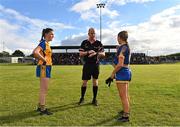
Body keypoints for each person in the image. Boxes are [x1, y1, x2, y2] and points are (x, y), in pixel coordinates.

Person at [106, 31, 131, 122]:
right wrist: (118, 49)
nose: (117, 39)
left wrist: (112, 74)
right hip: (125, 72)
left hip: (122, 73)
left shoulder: (123, 48)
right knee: (125, 95)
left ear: (120, 37)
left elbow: (120, 64)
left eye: (117, 37)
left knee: (123, 96)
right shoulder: (124, 47)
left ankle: (126, 116)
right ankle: (126, 110)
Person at [78, 27, 105, 106]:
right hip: (87, 64)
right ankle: (82, 98)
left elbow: (103, 54)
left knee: (95, 81)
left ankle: (94, 99)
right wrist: (88, 52)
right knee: (84, 82)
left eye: (94, 33)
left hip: (95, 64)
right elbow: (80, 54)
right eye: (91, 33)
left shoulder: (99, 43)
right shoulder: (84, 42)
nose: (92, 34)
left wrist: (96, 53)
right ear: (88, 33)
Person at [33, 28, 54, 115]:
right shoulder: (43, 43)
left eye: (53, 34)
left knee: (44, 89)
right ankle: (42, 109)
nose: (53, 36)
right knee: (43, 89)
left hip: (46, 67)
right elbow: (35, 52)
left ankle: (39, 106)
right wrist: (43, 60)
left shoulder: (47, 44)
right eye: (51, 34)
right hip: (44, 67)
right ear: (46, 34)